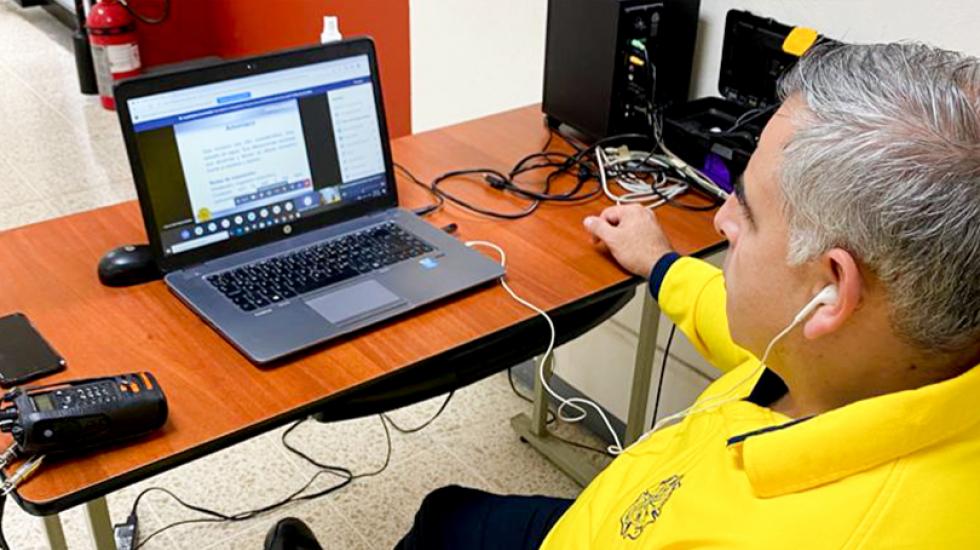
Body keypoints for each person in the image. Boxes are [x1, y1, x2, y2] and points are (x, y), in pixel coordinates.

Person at [269, 41, 980, 549]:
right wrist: (660, 262)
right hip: (620, 510)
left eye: (748, 209)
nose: (722, 217)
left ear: (830, 293)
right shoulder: (888, 354)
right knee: (448, 512)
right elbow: (739, 327)